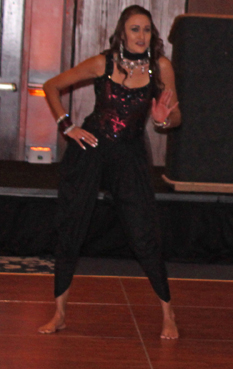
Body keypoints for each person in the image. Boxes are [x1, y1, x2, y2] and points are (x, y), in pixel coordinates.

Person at [38, 5, 180, 339]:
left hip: (129, 155)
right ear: (121, 32)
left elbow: (176, 118)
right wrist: (67, 126)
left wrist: (162, 118)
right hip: (90, 149)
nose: (141, 36)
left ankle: (168, 313)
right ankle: (59, 313)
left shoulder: (161, 67)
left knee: (144, 233)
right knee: (70, 226)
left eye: (146, 29)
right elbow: (51, 86)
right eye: (134, 29)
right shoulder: (103, 63)